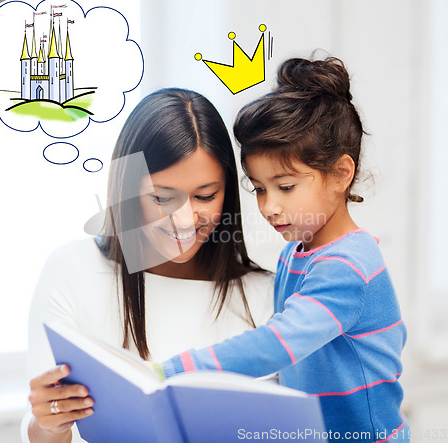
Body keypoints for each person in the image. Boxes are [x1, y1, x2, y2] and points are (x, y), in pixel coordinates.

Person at [152, 58, 410, 442]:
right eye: (259, 188)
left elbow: (278, 344)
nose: (269, 206)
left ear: (341, 173)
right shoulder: (297, 253)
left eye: (285, 186)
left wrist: (170, 372)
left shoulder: (349, 265)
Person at [21, 88, 274, 443]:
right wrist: (48, 425)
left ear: (228, 191)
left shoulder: (266, 295)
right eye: (161, 198)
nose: (185, 220)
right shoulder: (73, 271)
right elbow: (47, 431)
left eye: (205, 196)